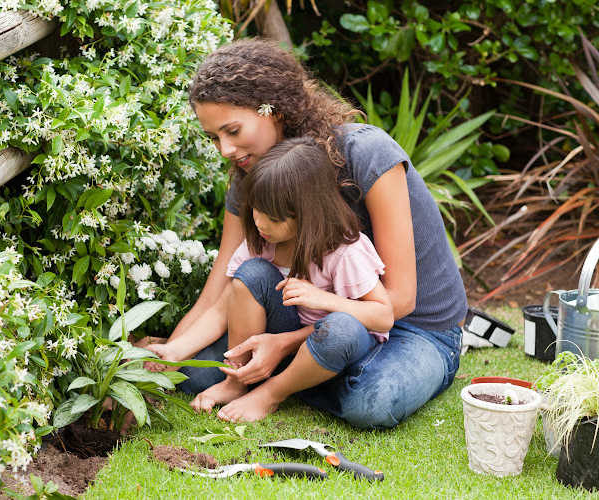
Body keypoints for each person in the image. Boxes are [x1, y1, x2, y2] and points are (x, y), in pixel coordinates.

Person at [145, 38, 466, 428]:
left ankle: (284, 382)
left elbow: (397, 302)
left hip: (410, 329)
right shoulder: (249, 179)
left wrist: (282, 344)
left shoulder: (366, 154)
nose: (224, 150)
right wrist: (168, 360)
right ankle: (308, 374)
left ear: (273, 109)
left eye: (232, 130)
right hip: (309, 314)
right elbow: (221, 289)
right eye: (214, 138)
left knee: (373, 402)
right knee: (196, 377)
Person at [190, 136, 395, 422]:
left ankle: (271, 393)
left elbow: (384, 317)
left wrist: (324, 299)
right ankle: (237, 381)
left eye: (273, 218)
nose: (260, 223)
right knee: (193, 374)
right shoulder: (261, 241)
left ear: (307, 214)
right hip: (280, 341)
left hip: (334, 350)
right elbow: (226, 304)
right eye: (256, 210)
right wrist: (172, 352)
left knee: (340, 330)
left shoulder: (345, 251)